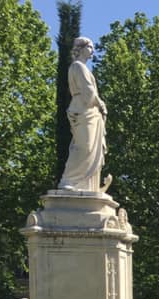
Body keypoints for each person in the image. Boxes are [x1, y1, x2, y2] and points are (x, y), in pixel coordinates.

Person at [58, 37, 106, 192]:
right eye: (90, 47)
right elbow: (88, 91)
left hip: (88, 110)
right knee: (84, 146)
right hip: (85, 108)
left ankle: (86, 183)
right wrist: (100, 103)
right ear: (81, 48)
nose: (92, 51)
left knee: (89, 147)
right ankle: (69, 180)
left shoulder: (80, 67)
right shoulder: (78, 66)